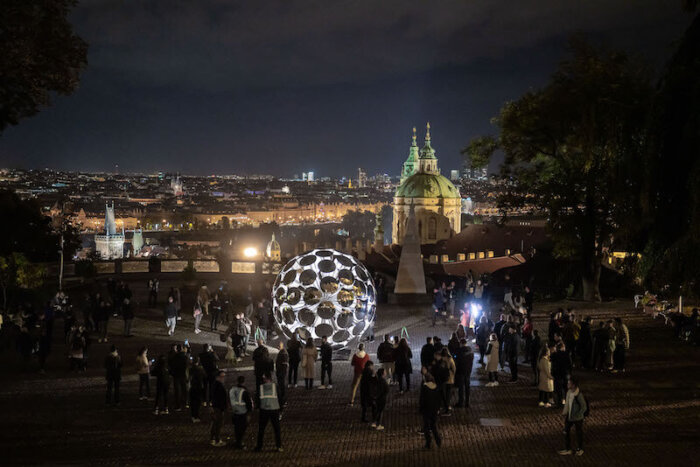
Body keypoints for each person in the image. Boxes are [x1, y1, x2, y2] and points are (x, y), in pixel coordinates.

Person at [558, 377, 587, 456]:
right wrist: (565, 412)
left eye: (569, 383)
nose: (567, 384)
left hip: (577, 418)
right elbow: (567, 404)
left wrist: (578, 414)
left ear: (573, 385)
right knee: (566, 431)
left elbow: (584, 407)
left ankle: (580, 448)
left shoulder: (578, 395)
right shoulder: (569, 392)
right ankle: (568, 448)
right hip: (570, 416)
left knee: (578, 433)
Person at [254, 373, 283, 452]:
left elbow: (257, 398)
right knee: (276, 429)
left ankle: (259, 446)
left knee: (261, 429)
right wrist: (281, 409)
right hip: (274, 409)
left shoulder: (260, 387)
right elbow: (280, 398)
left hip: (264, 410)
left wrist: (258, 407)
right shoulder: (275, 386)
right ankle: (279, 446)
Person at [229, 375, 254, 450]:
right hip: (243, 412)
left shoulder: (233, 389)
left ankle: (237, 441)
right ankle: (239, 442)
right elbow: (249, 403)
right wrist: (249, 413)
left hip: (235, 411)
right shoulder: (244, 391)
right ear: (244, 382)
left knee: (236, 428)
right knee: (242, 428)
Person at [419, 372, 442, 450]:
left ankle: (428, 443)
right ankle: (438, 441)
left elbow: (422, 400)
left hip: (427, 410)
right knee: (434, 426)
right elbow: (439, 399)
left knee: (426, 427)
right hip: (434, 410)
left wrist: (420, 409)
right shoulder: (436, 387)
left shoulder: (425, 388)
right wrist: (438, 408)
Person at [210, 370, 228, 447]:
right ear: (218, 377)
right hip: (218, 407)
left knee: (215, 423)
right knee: (218, 424)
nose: (223, 378)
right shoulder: (218, 385)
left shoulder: (216, 384)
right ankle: (217, 440)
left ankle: (213, 439)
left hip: (217, 407)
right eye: (222, 376)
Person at [454, 339, 474, 408]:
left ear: (461, 343)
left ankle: (461, 402)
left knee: (461, 388)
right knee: (467, 387)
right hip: (468, 371)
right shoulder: (470, 351)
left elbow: (456, 360)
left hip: (460, 371)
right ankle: (467, 402)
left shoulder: (459, 351)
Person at [171, 344, 190, 411]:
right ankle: (185, 403)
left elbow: (172, 366)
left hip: (176, 375)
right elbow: (187, 366)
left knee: (177, 391)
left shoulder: (174, 357)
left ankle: (178, 405)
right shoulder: (185, 357)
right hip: (183, 375)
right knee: (184, 389)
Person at [439, 347, 456, 414]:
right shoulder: (450, 359)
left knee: (443, 393)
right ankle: (447, 405)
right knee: (448, 393)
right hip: (450, 379)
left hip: (442, 379)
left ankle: (443, 405)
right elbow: (454, 369)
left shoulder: (440, 359)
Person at [189, 357, 205, 423]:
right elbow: (204, 377)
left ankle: (193, 416)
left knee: (193, 403)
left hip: (192, 387)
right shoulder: (200, 369)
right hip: (198, 387)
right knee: (197, 403)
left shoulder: (190, 369)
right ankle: (196, 416)